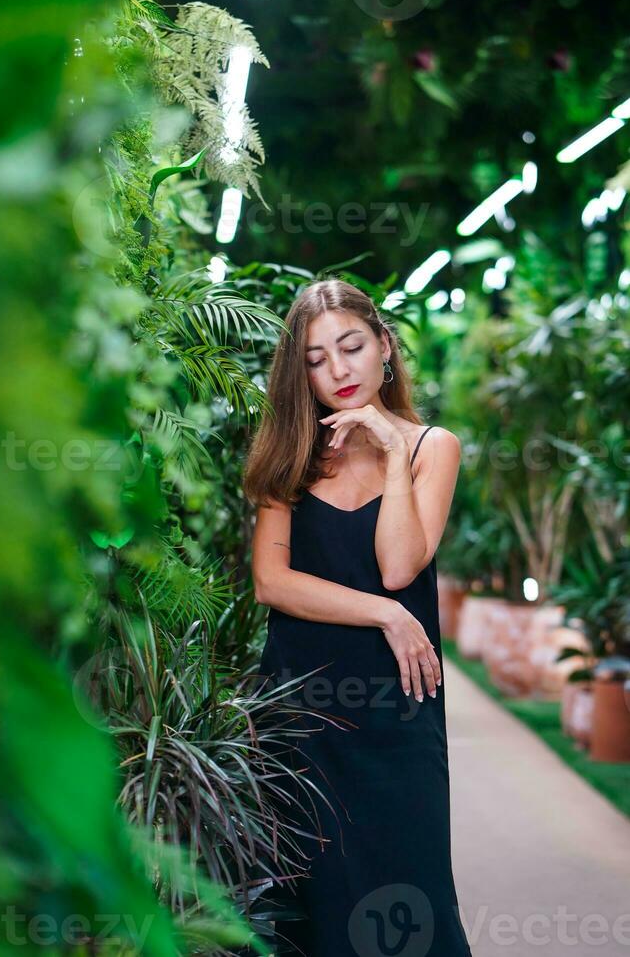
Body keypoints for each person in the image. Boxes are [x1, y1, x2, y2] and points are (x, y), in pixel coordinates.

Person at [243, 279, 472, 957]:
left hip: (396, 715)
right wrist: (386, 616)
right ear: (299, 373)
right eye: (316, 359)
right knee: (308, 905)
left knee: (411, 899)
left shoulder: (433, 446)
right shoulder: (292, 454)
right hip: (299, 712)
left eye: (351, 347)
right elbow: (271, 582)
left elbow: (400, 567)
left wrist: (394, 455)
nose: (338, 371)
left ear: (386, 348)